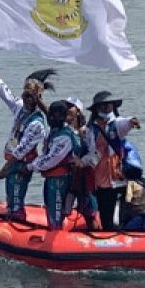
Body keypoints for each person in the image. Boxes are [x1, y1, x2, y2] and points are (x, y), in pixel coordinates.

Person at [0, 56, 55, 221]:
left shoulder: (37, 124)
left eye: (30, 96)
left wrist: (5, 169)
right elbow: (4, 92)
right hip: (12, 161)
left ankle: (17, 218)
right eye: (25, 94)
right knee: (10, 194)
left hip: (20, 164)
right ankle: (13, 212)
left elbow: (22, 149)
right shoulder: (20, 108)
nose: (26, 99)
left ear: (37, 98)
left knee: (16, 194)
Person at [83, 90, 140, 230]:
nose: (106, 108)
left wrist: (132, 121)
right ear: (97, 108)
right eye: (103, 105)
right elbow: (92, 153)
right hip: (100, 178)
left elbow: (125, 123)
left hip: (117, 176)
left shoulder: (116, 125)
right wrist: (82, 161)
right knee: (104, 212)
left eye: (109, 105)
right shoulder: (91, 129)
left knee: (117, 212)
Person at [27, 100, 83, 230]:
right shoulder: (54, 132)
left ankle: (56, 234)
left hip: (60, 180)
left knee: (56, 212)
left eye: (58, 115)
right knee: (51, 208)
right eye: (52, 114)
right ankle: (54, 228)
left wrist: (30, 166)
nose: (53, 117)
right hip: (51, 179)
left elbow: (52, 159)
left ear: (64, 117)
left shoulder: (65, 136)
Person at [63, 97, 99, 229]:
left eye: (70, 106)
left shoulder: (86, 131)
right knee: (65, 209)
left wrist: (82, 162)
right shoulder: (63, 131)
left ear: (78, 111)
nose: (67, 109)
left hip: (85, 177)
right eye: (65, 106)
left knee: (89, 211)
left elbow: (94, 154)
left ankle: (96, 238)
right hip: (69, 177)